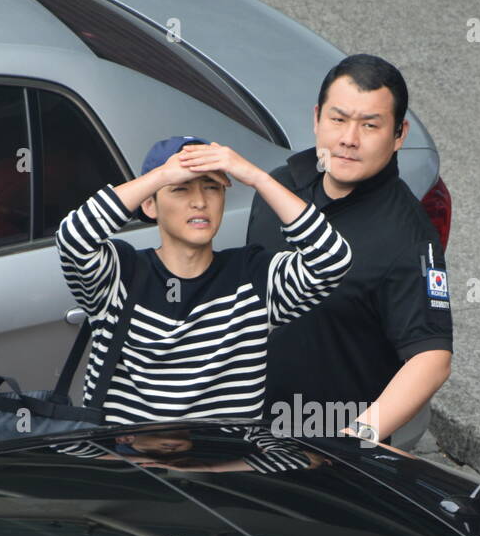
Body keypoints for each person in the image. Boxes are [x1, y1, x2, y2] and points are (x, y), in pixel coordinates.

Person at [55, 136, 351, 425]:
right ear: (150, 205)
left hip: (225, 467)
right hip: (130, 467)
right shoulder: (119, 273)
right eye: (180, 189)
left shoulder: (252, 275)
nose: (199, 201)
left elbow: (331, 259)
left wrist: (256, 177)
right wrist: (163, 175)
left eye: (212, 187)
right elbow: (73, 237)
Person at [245, 54, 452, 449]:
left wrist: (358, 440)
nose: (348, 139)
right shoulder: (280, 186)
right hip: (244, 434)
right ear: (317, 118)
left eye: (370, 125)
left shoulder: (407, 234)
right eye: (338, 120)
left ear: (399, 134)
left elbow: (431, 358)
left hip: (325, 455)